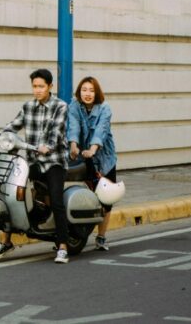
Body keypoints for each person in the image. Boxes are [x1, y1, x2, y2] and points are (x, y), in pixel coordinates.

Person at [0, 68, 71, 264]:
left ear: (50, 87)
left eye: (41, 86)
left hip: (54, 161)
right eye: (34, 86)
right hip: (32, 162)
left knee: (56, 200)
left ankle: (63, 245)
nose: (37, 90)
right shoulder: (28, 106)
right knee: (10, 192)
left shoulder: (61, 106)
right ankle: (6, 241)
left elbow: (57, 132)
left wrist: (47, 146)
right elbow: (12, 126)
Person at [67, 76, 118, 251]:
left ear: (97, 93)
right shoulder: (74, 106)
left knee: (106, 198)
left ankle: (101, 237)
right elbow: (72, 126)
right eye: (84, 90)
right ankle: (76, 233)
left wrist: (93, 150)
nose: (87, 94)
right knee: (81, 191)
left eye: (91, 90)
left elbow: (101, 130)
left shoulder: (105, 108)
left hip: (103, 158)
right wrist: (73, 145)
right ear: (79, 92)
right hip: (82, 156)